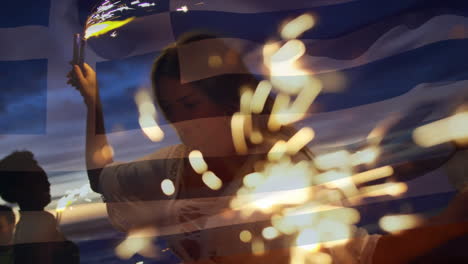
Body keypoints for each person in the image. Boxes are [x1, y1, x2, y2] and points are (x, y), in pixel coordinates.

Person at [69, 33, 468, 263]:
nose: (180, 123)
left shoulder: (285, 176)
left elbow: (361, 256)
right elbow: (100, 179)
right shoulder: (169, 168)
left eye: (190, 106)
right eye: (170, 109)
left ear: (229, 100)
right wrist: (94, 104)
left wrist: (456, 214)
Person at [0, 151, 80, 264]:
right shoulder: (34, 231)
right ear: (19, 190)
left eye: (45, 178)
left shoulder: (32, 226)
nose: (48, 184)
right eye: (39, 179)